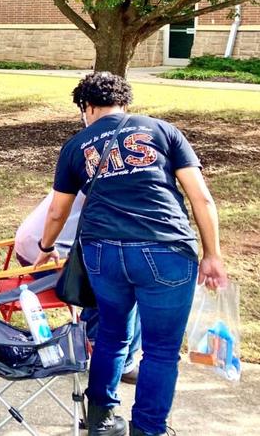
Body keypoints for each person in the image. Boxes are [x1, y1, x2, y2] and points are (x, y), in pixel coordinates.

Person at [33, 72, 228, 436]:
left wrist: (45, 249)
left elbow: (58, 211)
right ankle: (149, 429)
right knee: (161, 350)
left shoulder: (76, 145)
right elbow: (200, 197)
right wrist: (212, 254)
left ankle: (102, 420)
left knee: (111, 334)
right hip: (166, 249)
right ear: (125, 102)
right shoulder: (163, 131)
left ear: (87, 106)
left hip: (102, 253)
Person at [15, 190, 142, 385]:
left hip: (34, 244)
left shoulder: (91, 164)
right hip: (45, 254)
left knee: (122, 269)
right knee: (127, 282)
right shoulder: (105, 179)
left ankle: (92, 337)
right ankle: (116, 357)